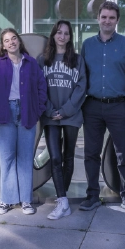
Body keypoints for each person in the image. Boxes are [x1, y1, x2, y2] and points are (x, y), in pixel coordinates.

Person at [79, 1, 125, 215]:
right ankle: (92, 196)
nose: (107, 21)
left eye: (111, 18)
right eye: (104, 17)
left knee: (124, 154)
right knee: (91, 154)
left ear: (117, 21)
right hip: (93, 106)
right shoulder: (87, 45)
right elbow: (81, 76)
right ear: (98, 18)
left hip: (119, 106)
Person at [0, 28, 47, 215]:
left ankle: (26, 201)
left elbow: (41, 87)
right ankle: (7, 200)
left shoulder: (31, 63)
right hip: (5, 113)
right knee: (7, 158)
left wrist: (38, 109)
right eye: (7, 40)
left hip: (27, 112)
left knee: (25, 158)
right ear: (3, 45)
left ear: (19, 41)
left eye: (13, 39)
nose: (11, 42)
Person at [38, 20, 86, 220]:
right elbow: (39, 88)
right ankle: (63, 200)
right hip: (50, 116)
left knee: (68, 157)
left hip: (71, 115)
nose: (62, 36)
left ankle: (62, 199)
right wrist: (50, 110)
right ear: (53, 35)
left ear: (70, 37)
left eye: (66, 33)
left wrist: (65, 110)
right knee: (55, 157)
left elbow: (81, 87)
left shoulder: (77, 59)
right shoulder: (43, 60)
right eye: (59, 32)